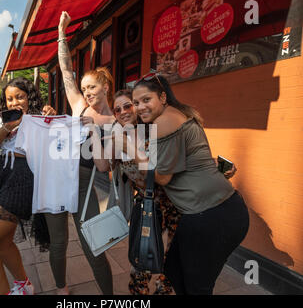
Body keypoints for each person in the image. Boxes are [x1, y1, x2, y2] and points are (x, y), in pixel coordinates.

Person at [98, 89, 237, 295]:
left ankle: (163, 290)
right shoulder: (118, 138)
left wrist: (215, 166)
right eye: (118, 110)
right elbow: (103, 167)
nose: (123, 112)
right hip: (147, 208)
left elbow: (185, 158)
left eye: (128, 105)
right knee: (141, 262)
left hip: (175, 205)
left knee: (172, 262)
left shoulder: (157, 131)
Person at [125, 73, 249, 295]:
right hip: (215, 211)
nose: (139, 107)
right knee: (174, 271)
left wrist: (129, 148)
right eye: (136, 102)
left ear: (162, 98)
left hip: (210, 216)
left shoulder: (164, 121)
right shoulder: (175, 116)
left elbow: (161, 177)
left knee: (196, 287)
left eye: (146, 100)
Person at [0, 77, 54, 295]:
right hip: (4, 176)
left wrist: (50, 121)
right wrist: (7, 125)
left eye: (20, 97)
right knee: (3, 241)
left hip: (23, 178)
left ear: (29, 98)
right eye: (9, 98)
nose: (14, 102)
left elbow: (54, 150)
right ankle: (24, 285)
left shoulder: (41, 118)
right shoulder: (3, 120)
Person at [52, 11, 114, 295]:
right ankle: (61, 288)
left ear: (106, 87)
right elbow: (65, 71)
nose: (86, 92)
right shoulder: (78, 105)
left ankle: (109, 297)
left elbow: (104, 167)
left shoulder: (115, 122)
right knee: (58, 241)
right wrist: (62, 33)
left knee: (94, 246)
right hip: (58, 180)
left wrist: (91, 131)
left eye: (92, 87)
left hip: (85, 185)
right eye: (85, 87)